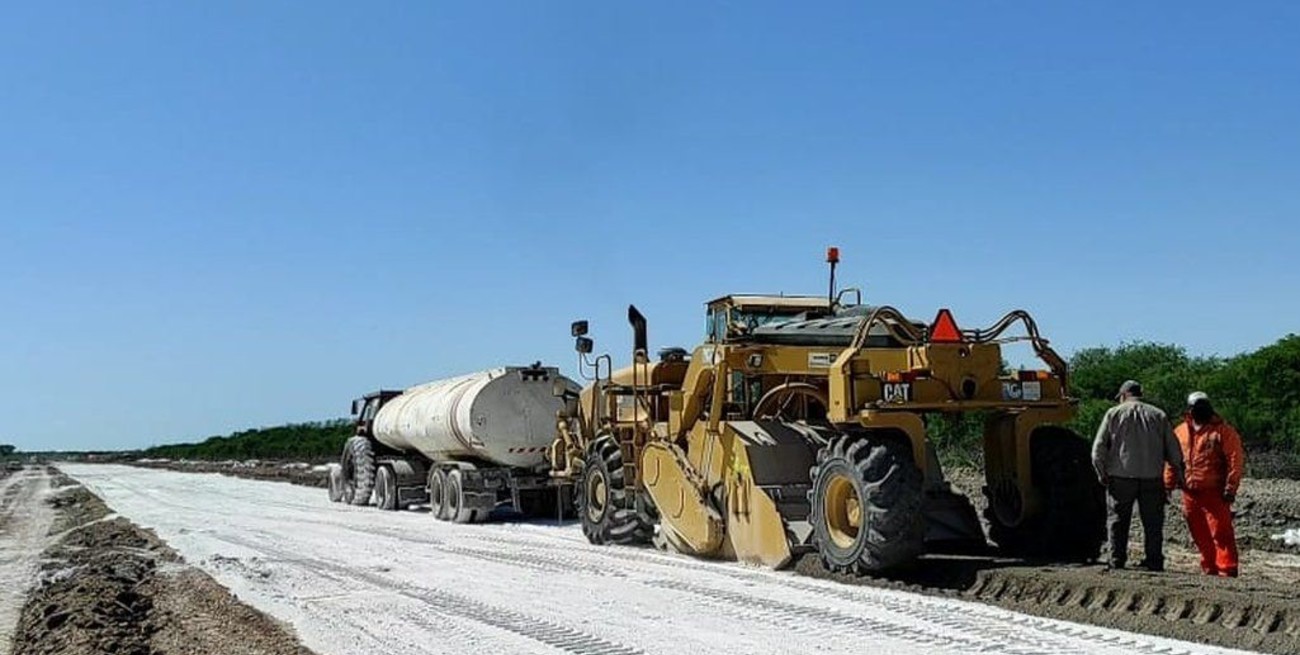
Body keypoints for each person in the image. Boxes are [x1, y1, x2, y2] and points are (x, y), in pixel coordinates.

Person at [1091, 380, 1186, 571]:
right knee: (1153, 522)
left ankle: (1116, 560)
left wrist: (1101, 473)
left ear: (1124, 395)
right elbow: (1174, 451)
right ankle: (1154, 560)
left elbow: (1097, 449)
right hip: (1152, 477)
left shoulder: (1113, 413)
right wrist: (1179, 474)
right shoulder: (1158, 415)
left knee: (1117, 521)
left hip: (1120, 477)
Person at [1165, 391, 1245, 577]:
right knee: (1199, 533)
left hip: (1215, 492)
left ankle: (1227, 569)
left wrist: (1231, 488)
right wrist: (1167, 485)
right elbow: (1172, 460)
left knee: (1221, 533)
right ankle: (1209, 567)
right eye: (1196, 406)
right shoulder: (1180, 431)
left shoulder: (1223, 431)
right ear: (1189, 409)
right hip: (1189, 493)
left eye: (1203, 405)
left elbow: (1235, 460)